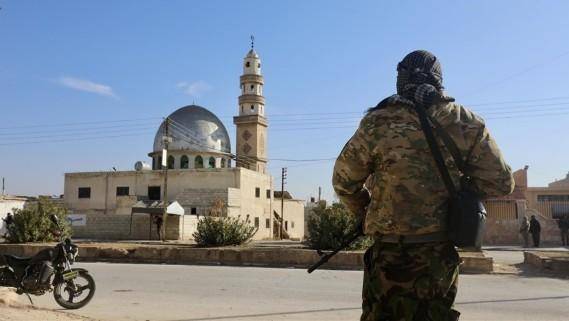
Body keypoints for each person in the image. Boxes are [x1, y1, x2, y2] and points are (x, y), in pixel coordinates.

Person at [332, 50, 514, 321]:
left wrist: (365, 211)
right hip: (437, 254)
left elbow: (344, 181)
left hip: (387, 254)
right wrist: (461, 190)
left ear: (400, 80)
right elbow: (501, 182)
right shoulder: (464, 121)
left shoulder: (376, 122)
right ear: (439, 79)